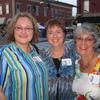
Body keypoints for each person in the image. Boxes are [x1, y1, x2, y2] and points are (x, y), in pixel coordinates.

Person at [0, 12, 48, 100]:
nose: (23, 32)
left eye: (28, 28)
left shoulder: (35, 51)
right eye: (19, 28)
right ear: (12, 30)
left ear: (33, 31)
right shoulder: (4, 54)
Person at [39, 18, 77, 100]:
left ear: (64, 34)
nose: (54, 36)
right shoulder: (41, 56)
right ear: (46, 36)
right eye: (50, 33)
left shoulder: (73, 51)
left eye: (58, 32)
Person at [72, 22, 100, 100]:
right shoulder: (76, 64)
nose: (83, 43)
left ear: (95, 42)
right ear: (75, 42)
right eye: (79, 38)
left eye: (89, 39)